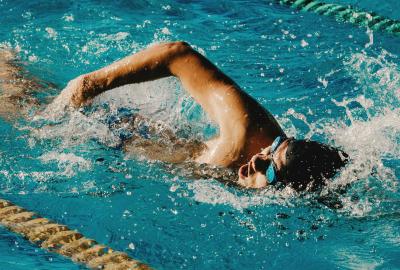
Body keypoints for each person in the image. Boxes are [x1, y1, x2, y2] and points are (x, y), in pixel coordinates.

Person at [49, 41, 349, 191]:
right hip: (106, 131)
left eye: (270, 170)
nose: (258, 158)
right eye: (273, 149)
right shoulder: (247, 131)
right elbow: (176, 53)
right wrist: (91, 84)